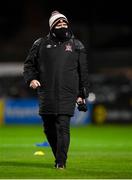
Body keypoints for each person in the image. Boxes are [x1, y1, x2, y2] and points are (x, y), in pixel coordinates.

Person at [23, 10, 90, 169]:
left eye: (64, 23)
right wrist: (31, 79)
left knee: (63, 127)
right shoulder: (40, 44)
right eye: (58, 23)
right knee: (49, 129)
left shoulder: (77, 45)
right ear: (52, 26)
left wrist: (82, 94)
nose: (62, 25)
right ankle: (58, 156)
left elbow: (83, 72)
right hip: (46, 93)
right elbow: (29, 65)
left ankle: (61, 162)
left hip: (68, 93)